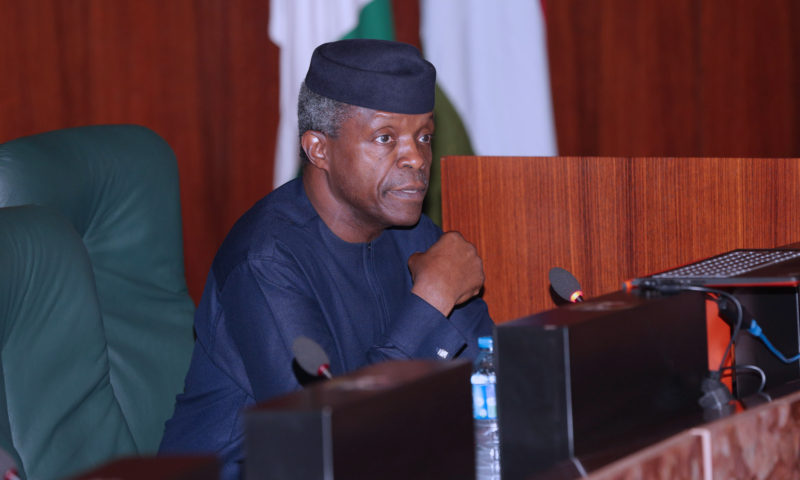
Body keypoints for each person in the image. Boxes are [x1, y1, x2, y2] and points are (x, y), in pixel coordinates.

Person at [159, 38, 493, 479]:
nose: (416, 159)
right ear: (319, 149)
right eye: (386, 138)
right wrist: (430, 300)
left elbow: (489, 387)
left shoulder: (416, 234)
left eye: (424, 136)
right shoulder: (265, 263)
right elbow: (331, 449)